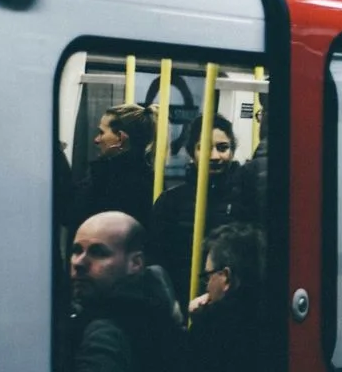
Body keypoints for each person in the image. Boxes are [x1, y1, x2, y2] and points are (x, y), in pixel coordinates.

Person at [151, 114, 248, 312]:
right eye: (203, 147)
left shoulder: (245, 198)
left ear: (232, 151)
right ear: (191, 152)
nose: (214, 156)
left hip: (231, 304)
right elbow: (159, 259)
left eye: (222, 148)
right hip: (179, 301)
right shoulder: (171, 202)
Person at [67, 211, 185, 372]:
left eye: (98, 252)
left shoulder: (105, 334)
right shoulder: (159, 313)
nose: (79, 263)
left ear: (135, 263)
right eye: (76, 251)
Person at [187, 222, 272, 372]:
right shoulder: (274, 320)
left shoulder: (209, 330)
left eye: (208, 275)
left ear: (226, 277)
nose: (206, 286)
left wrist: (200, 320)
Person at [70, 104, 158, 233]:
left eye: (102, 133)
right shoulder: (148, 177)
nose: (96, 140)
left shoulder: (108, 180)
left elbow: (74, 213)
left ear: (120, 139)